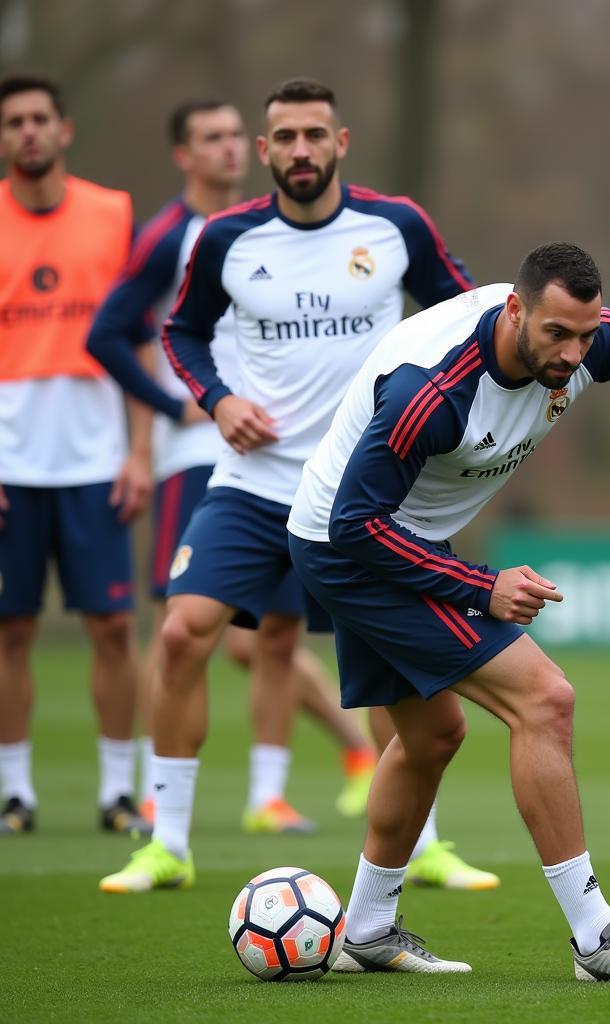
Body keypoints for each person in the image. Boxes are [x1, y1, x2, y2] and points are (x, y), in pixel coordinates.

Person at [287, 243, 610, 979]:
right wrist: (478, 584)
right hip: (349, 546)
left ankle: (364, 930)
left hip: (399, 536)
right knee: (545, 699)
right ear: (515, 310)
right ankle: (598, 940)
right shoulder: (431, 389)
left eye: (587, 336)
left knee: (431, 736)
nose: (575, 353)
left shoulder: (584, 339)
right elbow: (355, 526)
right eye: (557, 334)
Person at [99, 77, 488, 892]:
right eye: (286, 137)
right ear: (265, 149)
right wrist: (216, 398)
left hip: (365, 491)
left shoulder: (395, 225)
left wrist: (438, 425)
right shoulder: (225, 239)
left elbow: (471, 318)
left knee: (396, 664)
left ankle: (428, 845)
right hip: (252, 479)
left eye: (316, 135)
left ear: (341, 142)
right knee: (180, 635)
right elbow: (181, 331)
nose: (301, 150)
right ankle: (167, 842)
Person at [85, 99, 377, 835]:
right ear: (182, 154)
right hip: (206, 459)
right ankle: (158, 795)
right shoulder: (173, 237)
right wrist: (174, 410)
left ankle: (267, 794)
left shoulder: (271, 231)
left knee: (276, 634)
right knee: (182, 628)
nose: (224, 151)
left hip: (290, 461)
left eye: (229, 137)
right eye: (208, 139)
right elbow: (125, 334)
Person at [0, 74, 151, 837]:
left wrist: (141, 451)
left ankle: (117, 794)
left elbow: (137, 340)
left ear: (65, 129)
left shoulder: (112, 215)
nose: (27, 131)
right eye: (13, 122)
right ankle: (15, 794)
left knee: (113, 629)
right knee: (12, 631)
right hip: (9, 465)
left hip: (97, 461)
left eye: (39, 119)